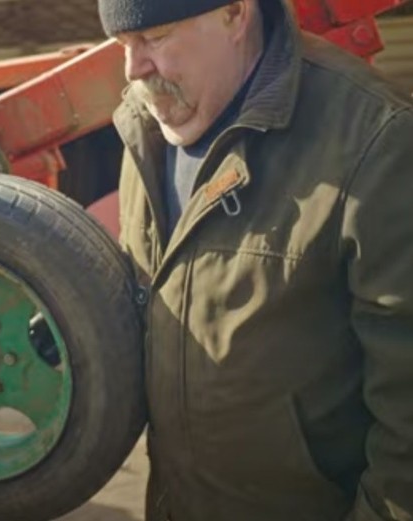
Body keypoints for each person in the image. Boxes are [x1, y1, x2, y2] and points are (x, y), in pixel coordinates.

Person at [97, 0, 413, 519]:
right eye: (122, 45)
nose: (134, 69)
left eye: (154, 37)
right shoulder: (144, 129)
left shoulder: (376, 143)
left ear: (236, 13)